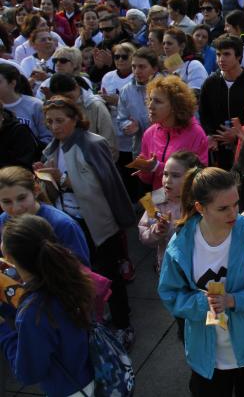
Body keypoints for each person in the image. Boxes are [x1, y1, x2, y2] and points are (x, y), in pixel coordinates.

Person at [158, 167, 244, 395]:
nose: (234, 214)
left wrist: (234, 300)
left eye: (236, 204)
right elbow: (170, 294)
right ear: (200, 207)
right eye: (223, 208)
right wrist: (202, 303)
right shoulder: (181, 244)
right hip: (207, 352)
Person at [40, 95, 137, 348]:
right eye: (49, 121)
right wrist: (43, 181)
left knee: (109, 274)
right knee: (83, 275)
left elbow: (100, 186)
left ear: (75, 118)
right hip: (69, 222)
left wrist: (61, 179)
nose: (54, 126)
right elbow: (54, 193)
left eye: (60, 120)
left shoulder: (92, 144)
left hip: (98, 224)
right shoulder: (52, 148)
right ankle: (99, 318)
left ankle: (123, 324)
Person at [0, 214, 95, 397]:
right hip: (95, 369)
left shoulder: (33, 312)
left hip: (71, 389)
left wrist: (3, 330)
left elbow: (28, 373)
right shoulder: (70, 277)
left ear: (9, 256)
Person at [0, 166, 90, 264]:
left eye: (22, 198)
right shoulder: (3, 219)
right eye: (6, 201)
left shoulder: (63, 224)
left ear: (36, 191)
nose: (16, 208)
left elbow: (82, 270)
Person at [135, 75, 209, 190]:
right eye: (150, 99)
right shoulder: (150, 133)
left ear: (175, 106)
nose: (150, 106)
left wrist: (158, 167)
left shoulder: (195, 133)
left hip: (184, 203)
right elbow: (147, 180)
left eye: (158, 101)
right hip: (158, 201)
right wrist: (145, 170)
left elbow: (199, 177)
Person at [137, 150, 202, 273]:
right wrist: (157, 231)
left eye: (175, 175)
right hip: (167, 268)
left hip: (196, 268)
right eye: (165, 174)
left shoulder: (201, 202)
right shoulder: (152, 200)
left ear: (191, 178)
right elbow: (143, 235)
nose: (168, 180)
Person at [200, 35, 244, 169]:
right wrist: (211, 135)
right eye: (218, 54)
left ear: (238, 56)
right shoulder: (210, 83)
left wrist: (237, 135)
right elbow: (204, 114)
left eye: (226, 54)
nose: (221, 59)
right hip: (218, 147)